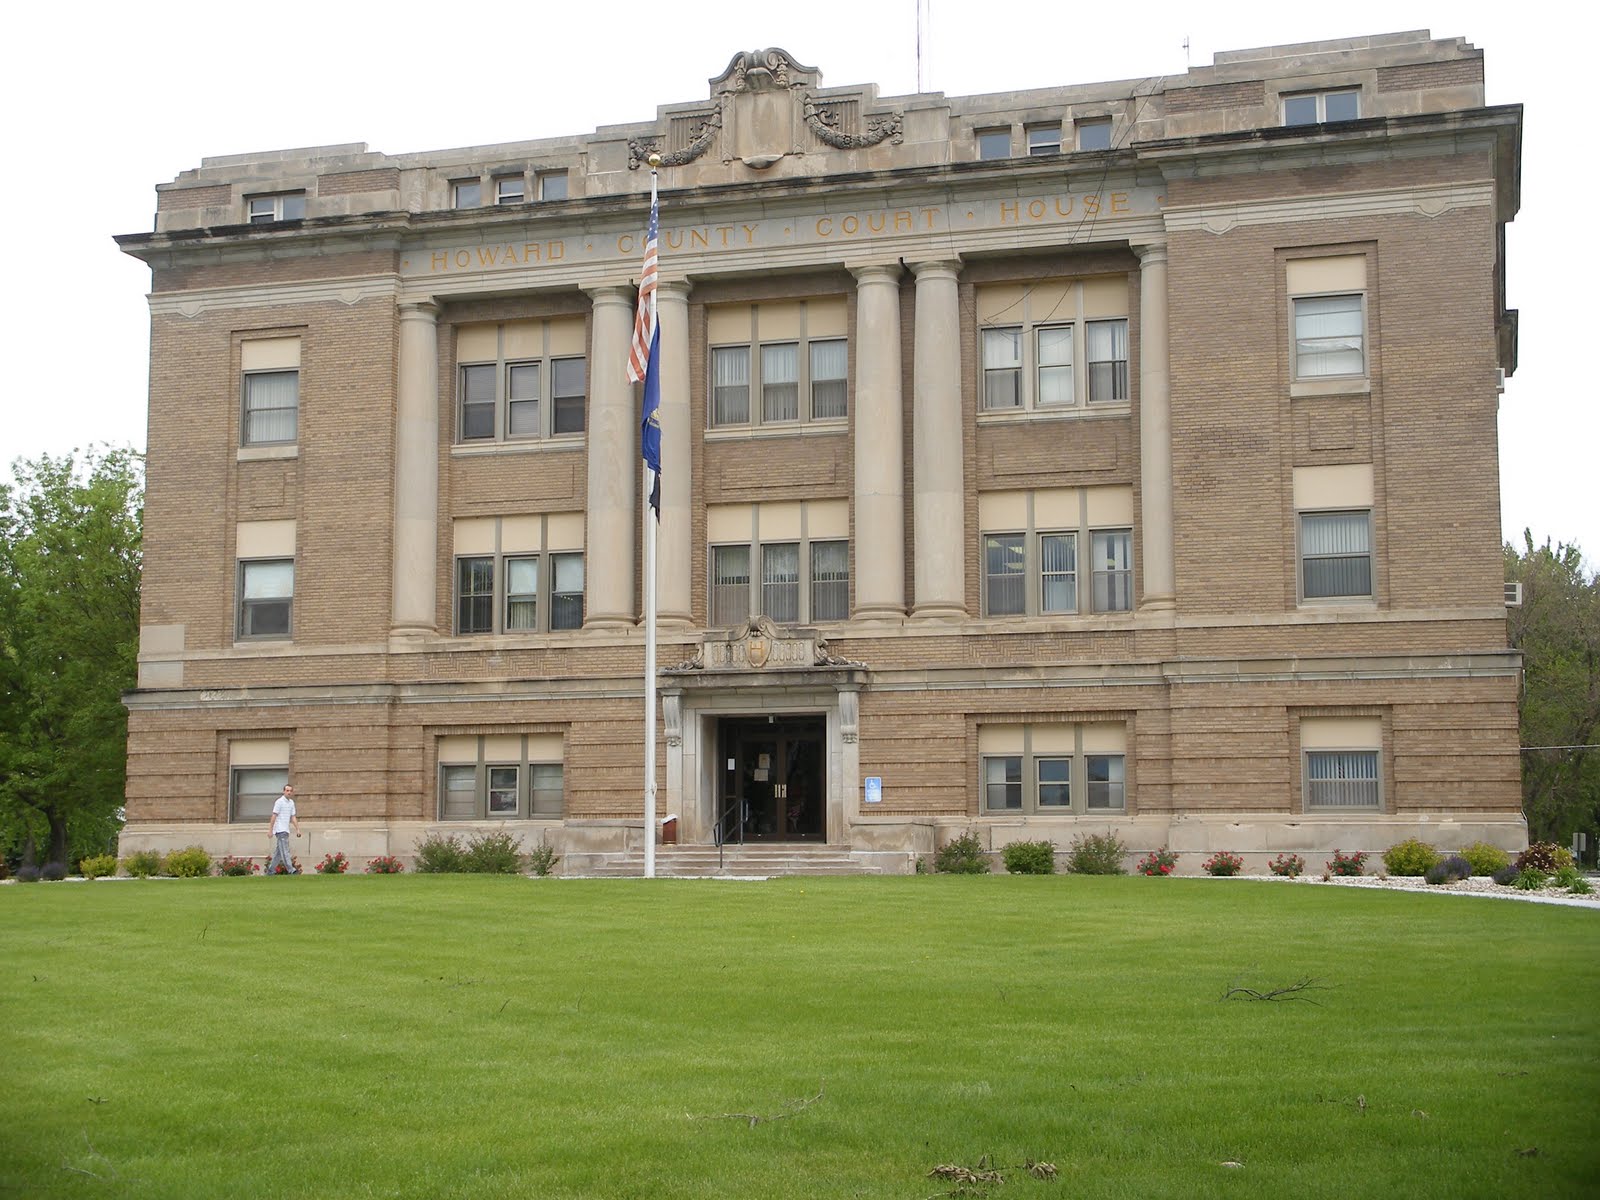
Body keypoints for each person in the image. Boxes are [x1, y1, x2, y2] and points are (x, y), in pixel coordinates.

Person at [267, 784, 301, 874]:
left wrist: (297, 829)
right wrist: (270, 830)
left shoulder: (291, 803)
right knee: (285, 850)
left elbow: (293, 817)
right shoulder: (279, 802)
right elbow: (274, 815)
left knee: (278, 853)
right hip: (280, 830)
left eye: (290, 791)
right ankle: (291, 870)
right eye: (287, 790)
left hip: (286, 830)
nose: (289, 792)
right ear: (284, 791)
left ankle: (271, 870)